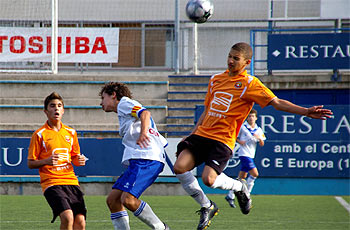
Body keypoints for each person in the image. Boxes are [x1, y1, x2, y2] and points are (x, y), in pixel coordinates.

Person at [173, 42, 333, 230]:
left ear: (246, 62)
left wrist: (305, 111)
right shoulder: (215, 79)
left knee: (209, 180)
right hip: (202, 135)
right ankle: (207, 206)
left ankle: (240, 187)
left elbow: (277, 102)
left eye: (236, 58)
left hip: (222, 140)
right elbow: (208, 110)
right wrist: (191, 134)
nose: (230, 61)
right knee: (180, 167)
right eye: (229, 56)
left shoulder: (250, 83)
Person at [99, 82, 170, 230]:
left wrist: (144, 132)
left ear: (113, 95)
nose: (101, 103)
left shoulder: (124, 103)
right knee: (113, 200)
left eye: (103, 97)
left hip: (146, 157)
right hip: (139, 159)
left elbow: (145, 113)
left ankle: (161, 228)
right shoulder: (123, 110)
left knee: (129, 200)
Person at [27, 92, 87, 230]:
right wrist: (46, 161)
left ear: (63, 110)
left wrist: (79, 160)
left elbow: (74, 158)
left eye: (59, 106)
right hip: (51, 182)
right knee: (67, 217)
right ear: (46, 111)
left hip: (71, 181)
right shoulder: (39, 134)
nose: (56, 109)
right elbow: (30, 163)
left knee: (80, 222)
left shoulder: (71, 133)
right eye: (52, 106)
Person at [225, 109, 265, 208]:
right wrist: (239, 141)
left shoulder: (258, 129)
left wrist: (259, 138)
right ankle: (247, 195)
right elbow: (234, 136)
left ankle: (230, 195)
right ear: (247, 118)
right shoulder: (243, 127)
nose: (251, 118)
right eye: (249, 116)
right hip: (244, 154)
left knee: (241, 178)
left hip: (251, 154)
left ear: (256, 118)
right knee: (255, 174)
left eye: (252, 116)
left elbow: (262, 143)